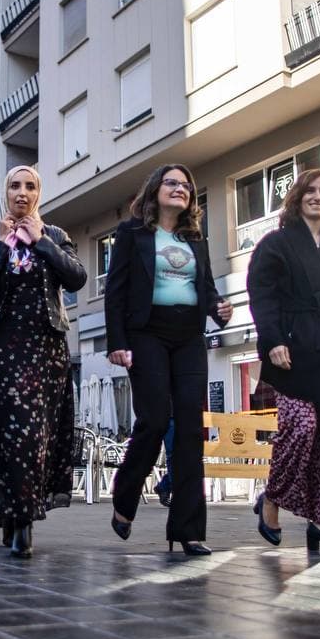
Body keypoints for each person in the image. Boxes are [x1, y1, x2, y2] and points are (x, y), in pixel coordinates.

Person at [105, 164, 232, 556]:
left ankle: (188, 529)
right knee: (155, 420)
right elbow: (116, 289)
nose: (180, 189)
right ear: (155, 189)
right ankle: (125, 496)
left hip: (189, 336)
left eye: (186, 185)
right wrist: (117, 341)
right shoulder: (132, 233)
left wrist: (217, 307)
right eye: (172, 183)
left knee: (192, 430)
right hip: (147, 334)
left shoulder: (195, 238)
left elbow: (205, 286)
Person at [246, 169, 320, 555]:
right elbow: (262, 296)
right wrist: (273, 341)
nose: (318, 196)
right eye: (311, 191)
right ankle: (271, 499)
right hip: (292, 352)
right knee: (301, 426)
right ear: (297, 197)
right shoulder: (276, 244)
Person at [0, 165, 86, 558]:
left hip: (44, 350)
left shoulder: (56, 236)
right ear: (5, 192)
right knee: (4, 437)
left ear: (39, 193)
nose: (22, 192)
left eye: (30, 185)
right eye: (15, 186)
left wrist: (42, 242)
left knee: (35, 436)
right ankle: (10, 515)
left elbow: (77, 278)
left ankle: (24, 521)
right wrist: (3, 244)